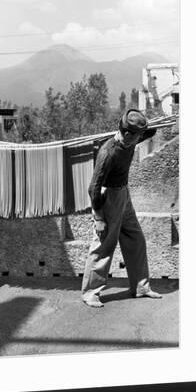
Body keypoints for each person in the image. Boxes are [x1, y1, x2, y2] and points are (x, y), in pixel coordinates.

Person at [81, 109, 162, 308]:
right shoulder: (108, 152)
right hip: (108, 198)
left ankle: (141, 287)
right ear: (127, 134)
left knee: (136, 239)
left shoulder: (130, 139)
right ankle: (90, 292)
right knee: (103, 246)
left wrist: (152, 123)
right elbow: (93, 188)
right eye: (137, 136)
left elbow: (149, 132)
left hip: (124, 195)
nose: (140, 139)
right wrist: (99, 218)